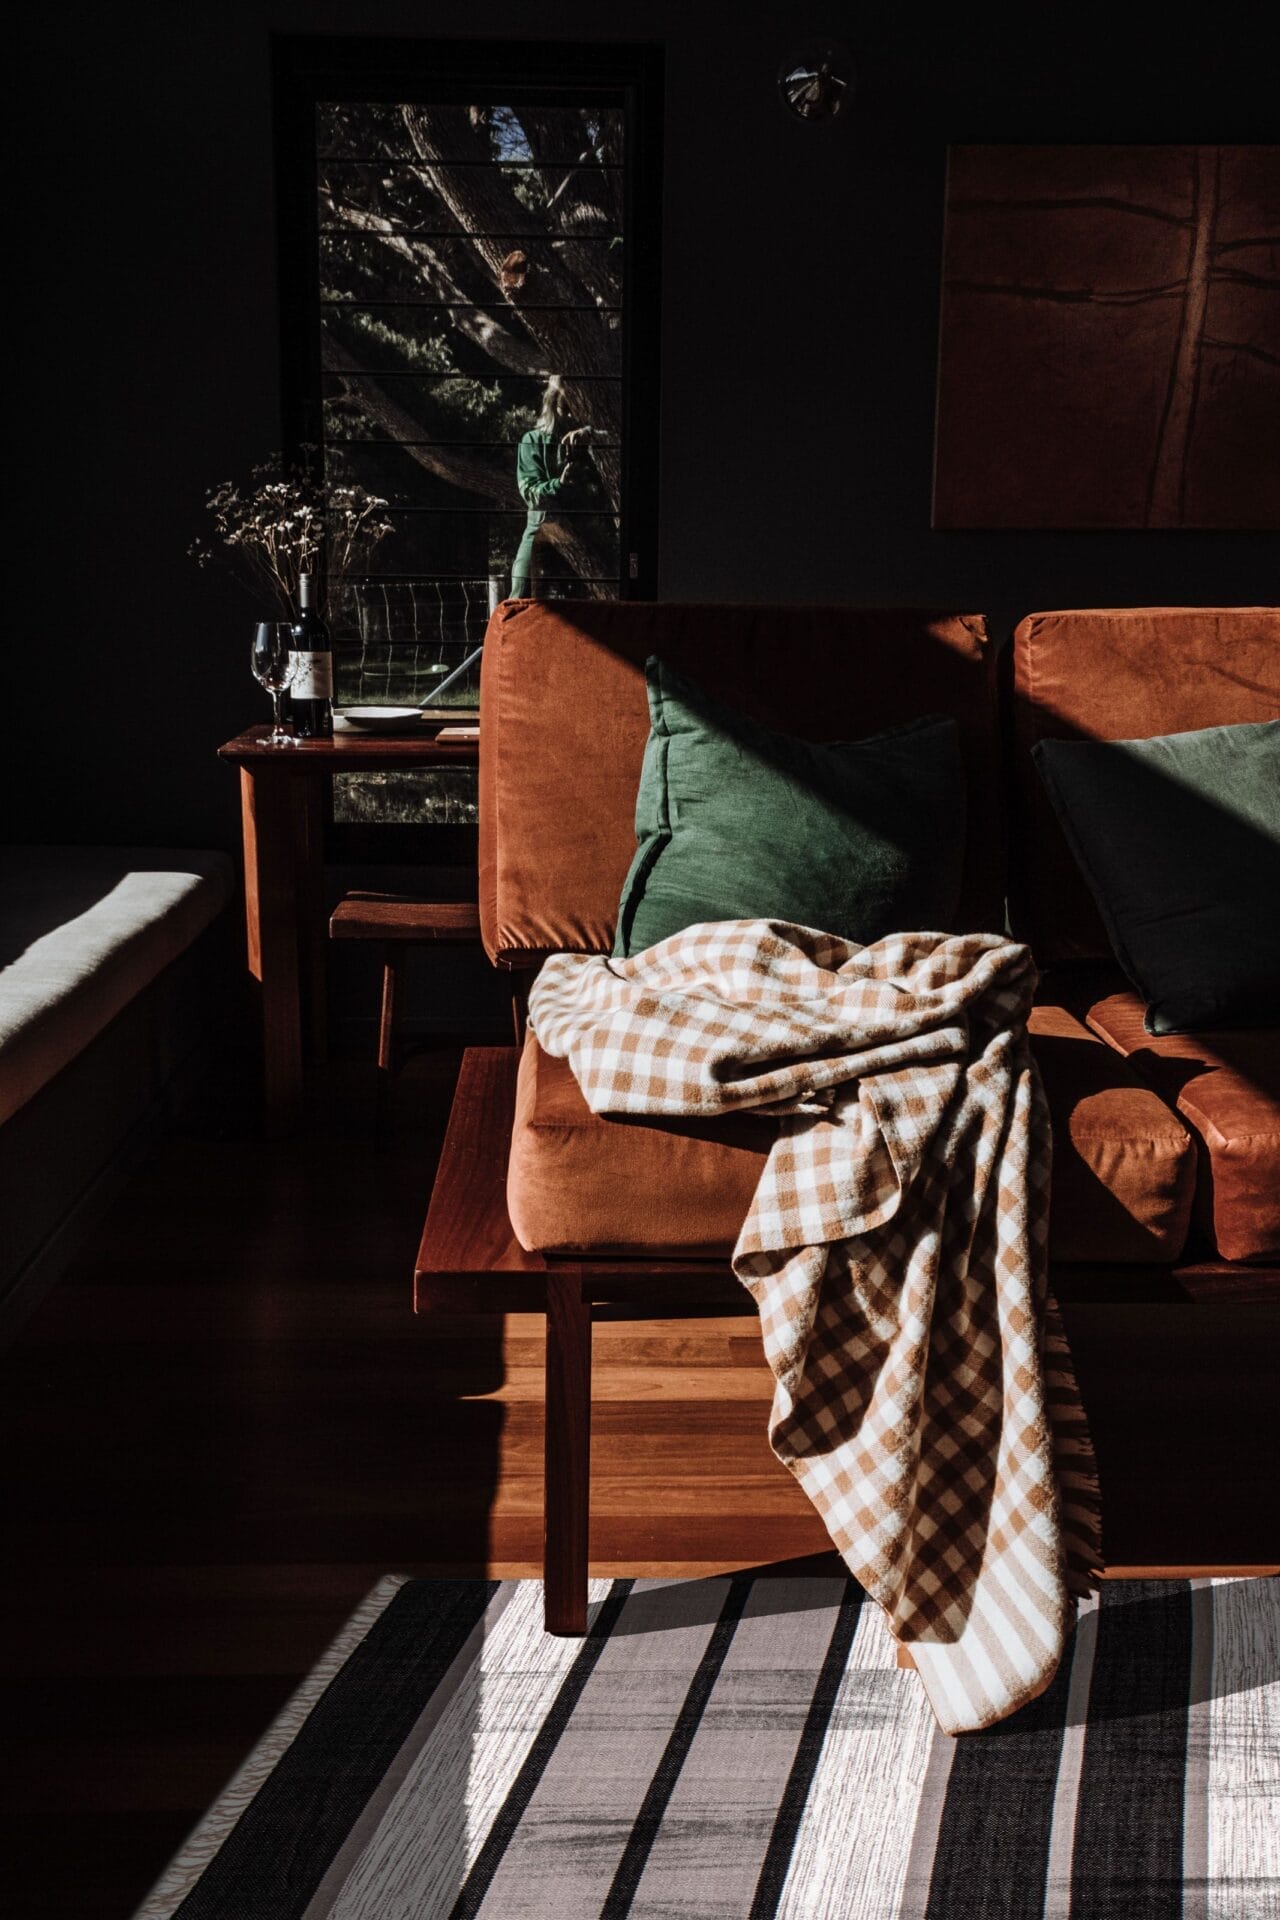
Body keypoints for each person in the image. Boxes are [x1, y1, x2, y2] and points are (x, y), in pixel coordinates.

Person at [510, 375, 592, 598]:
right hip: (541, 529)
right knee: (520, 591)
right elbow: (530, 492)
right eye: (565, 406)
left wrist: (587, 433)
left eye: (574, 407)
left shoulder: (588, 439)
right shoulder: (533, 441)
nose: (569, 414)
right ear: (552, 403)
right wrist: (560, 483)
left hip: (583, 533)